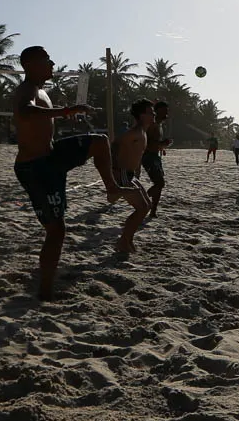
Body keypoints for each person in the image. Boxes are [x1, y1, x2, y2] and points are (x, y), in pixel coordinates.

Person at [12, 46, 147, 298]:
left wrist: (64, 113)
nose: (52, 63)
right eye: (47, 60)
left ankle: (111, 187)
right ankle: (44, 291)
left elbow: (38, 118)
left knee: (99, 141)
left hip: (51, 157)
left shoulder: (41, 90)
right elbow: (26, 111)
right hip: (36, 167)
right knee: (56, 230)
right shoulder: (27, 89)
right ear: (31, 64)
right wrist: (67, 111)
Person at [113, 100, 155, 255]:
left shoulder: (143, 133)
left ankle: (126, 239)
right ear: (141, 115)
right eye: (150, 112)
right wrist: (112, 177)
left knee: (146, 206)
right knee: (142, 208)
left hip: (130, 175)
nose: (153, 115)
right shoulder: (134, 133)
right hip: (123, 173)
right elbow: (113, 147)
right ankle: (123, 241)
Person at [141, 100, 172, 217]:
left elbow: (156, 142)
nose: (166, 114)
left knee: (159, 183)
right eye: (164, 111)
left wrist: (162, 146)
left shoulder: (159, 125)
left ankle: (153, 211)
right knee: (160, 183)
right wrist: (161, 143)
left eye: (167, 111)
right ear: (156, 111)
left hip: (155, 156)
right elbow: (146, 141)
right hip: (148, 156)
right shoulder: (152, 125)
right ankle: (143, 200)